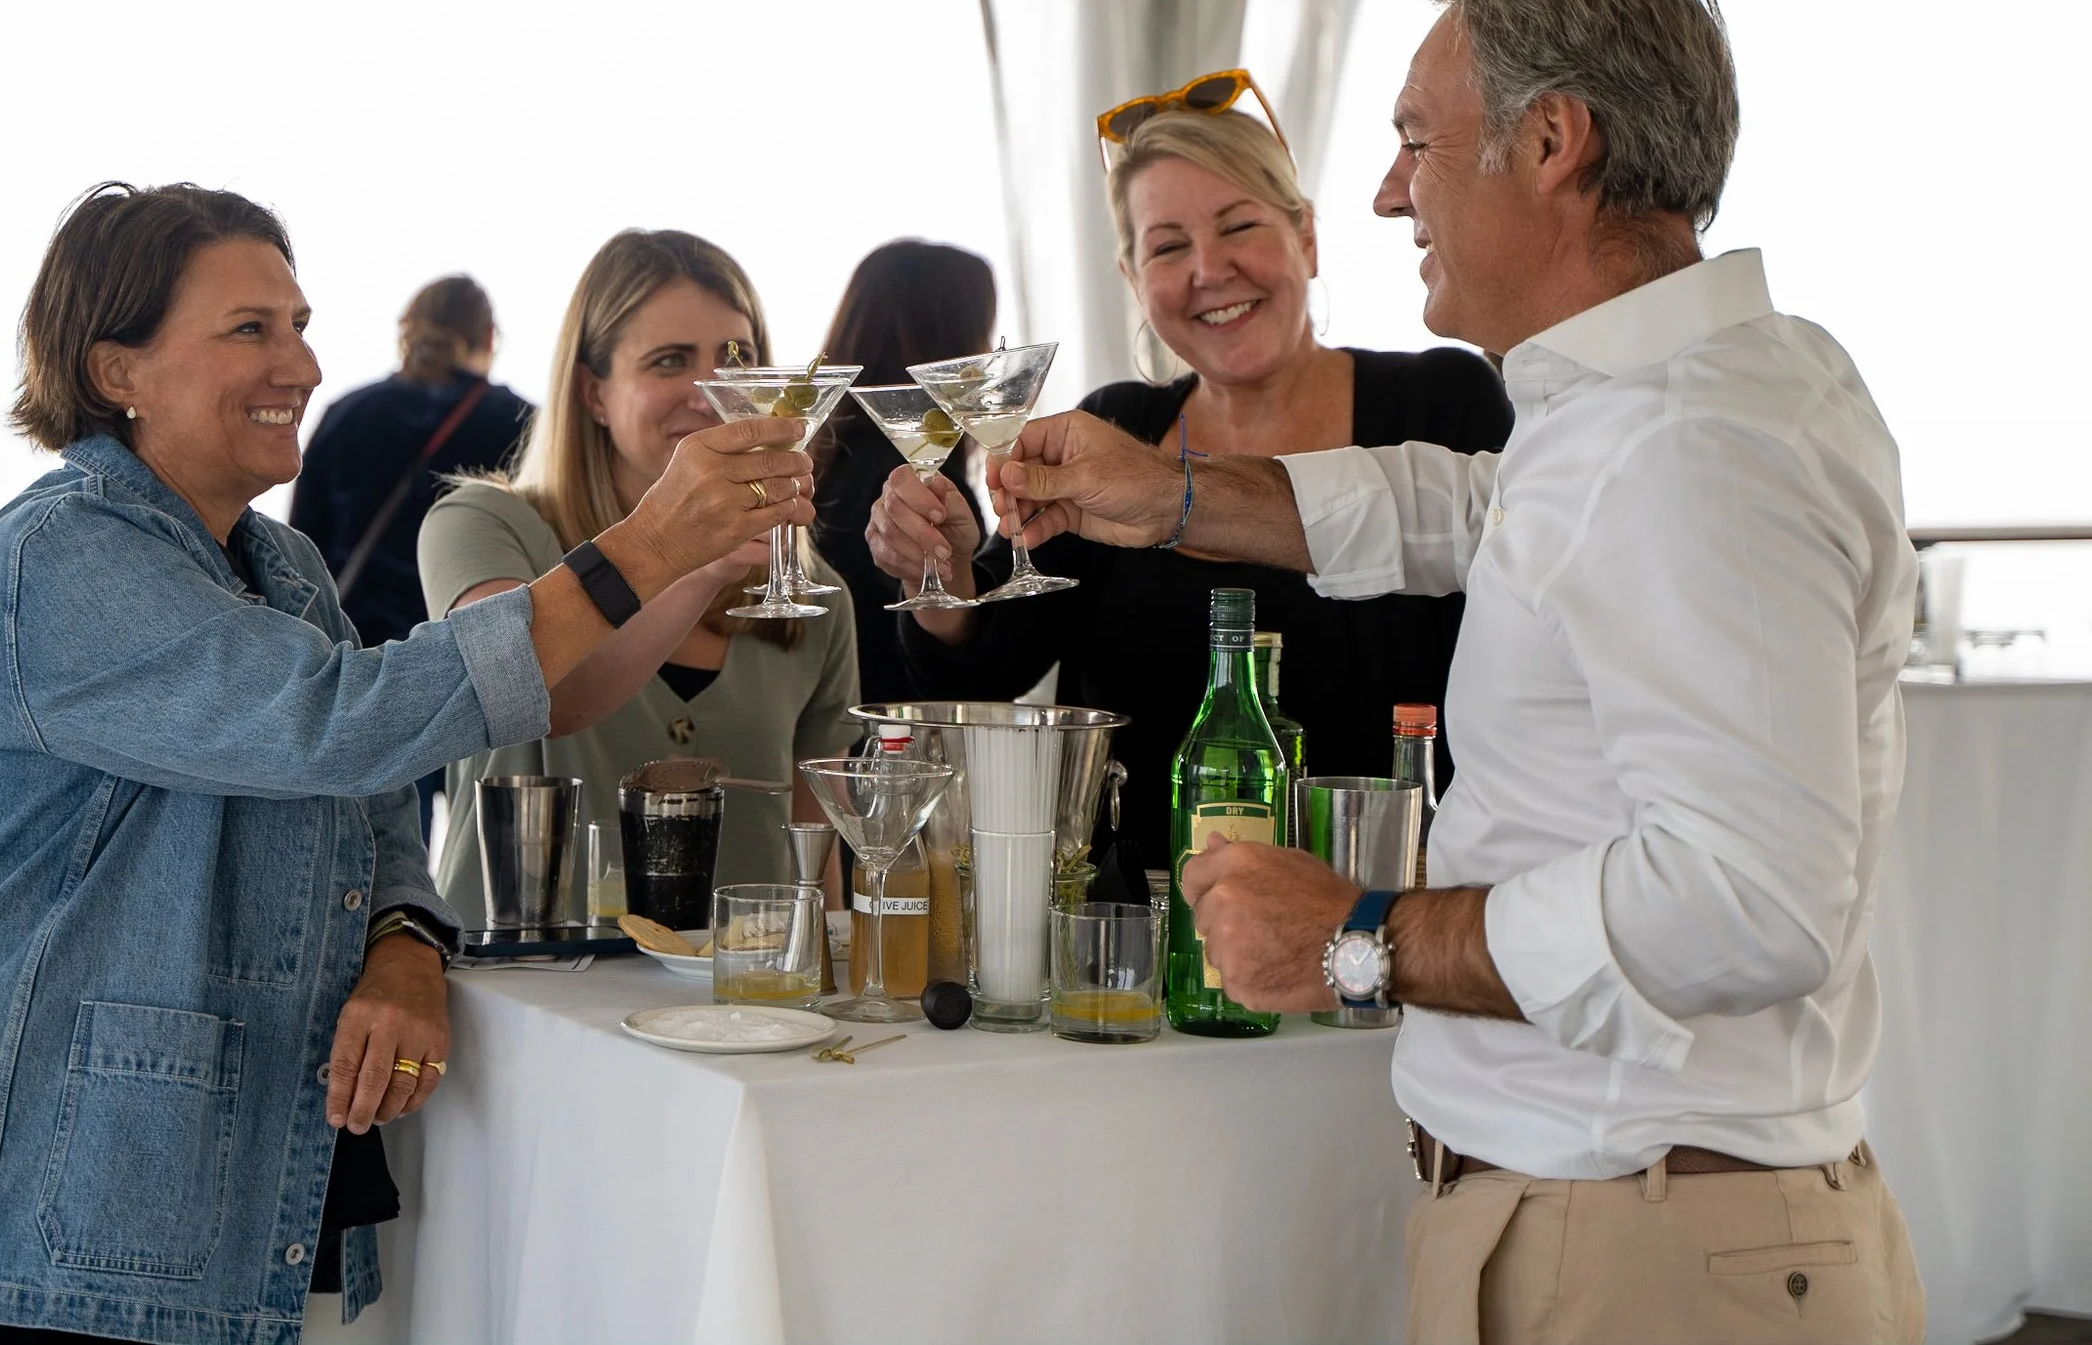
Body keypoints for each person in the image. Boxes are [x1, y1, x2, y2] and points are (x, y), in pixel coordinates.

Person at [993, 0, 1925, 1343]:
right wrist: (1173, 492)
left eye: (1416, 142)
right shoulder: (1650, 399)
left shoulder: (1688, 445)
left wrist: (1362, 936)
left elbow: (1753, 901)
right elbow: (1472, 512)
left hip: (1653, 1245)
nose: (1384, 191)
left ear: (1553, 142)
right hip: (1633, 1216)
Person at [0, 185, 814, 1345]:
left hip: (237, 1207)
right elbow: (337, 720)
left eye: (300, 323)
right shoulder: (57, 558)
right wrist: (649, 547)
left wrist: (407, 938)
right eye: (250, 328)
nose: (300, 363)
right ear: (117, 370)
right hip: (35, 1239)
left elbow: (373, 796)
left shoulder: (283, 563)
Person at [867, 77, 1510, 891]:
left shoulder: (1439, 402)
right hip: (1138, 937)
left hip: (1384, 919)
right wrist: (940, 571)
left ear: (1306, 238)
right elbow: (982, 667)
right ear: (1134, 279)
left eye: (1240, 225)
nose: (1210, 268)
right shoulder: (1115, 425)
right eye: (1167, 246)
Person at [419, 228, 862, 925]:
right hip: (527, 1003)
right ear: (595, 393)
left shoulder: (815, 592)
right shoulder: (483, 524)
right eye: (669, 361)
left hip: (736, 1010)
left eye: (736, 359)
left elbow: (818, 869)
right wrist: (694, 558)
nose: (712, 390)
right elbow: (529, 688)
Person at [291, 275, 534, 648]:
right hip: (465, 661)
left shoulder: (347, 414)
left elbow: (301, 546)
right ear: (488, 336)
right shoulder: (521, 424)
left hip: (349, 655)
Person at [808, 238, 996, 704]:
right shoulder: (921, 484)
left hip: (828, 730)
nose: (988, 360)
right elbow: (954, 676)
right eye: (982, 336)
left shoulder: (828, 462)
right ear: (952, 344)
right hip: (892, 749)